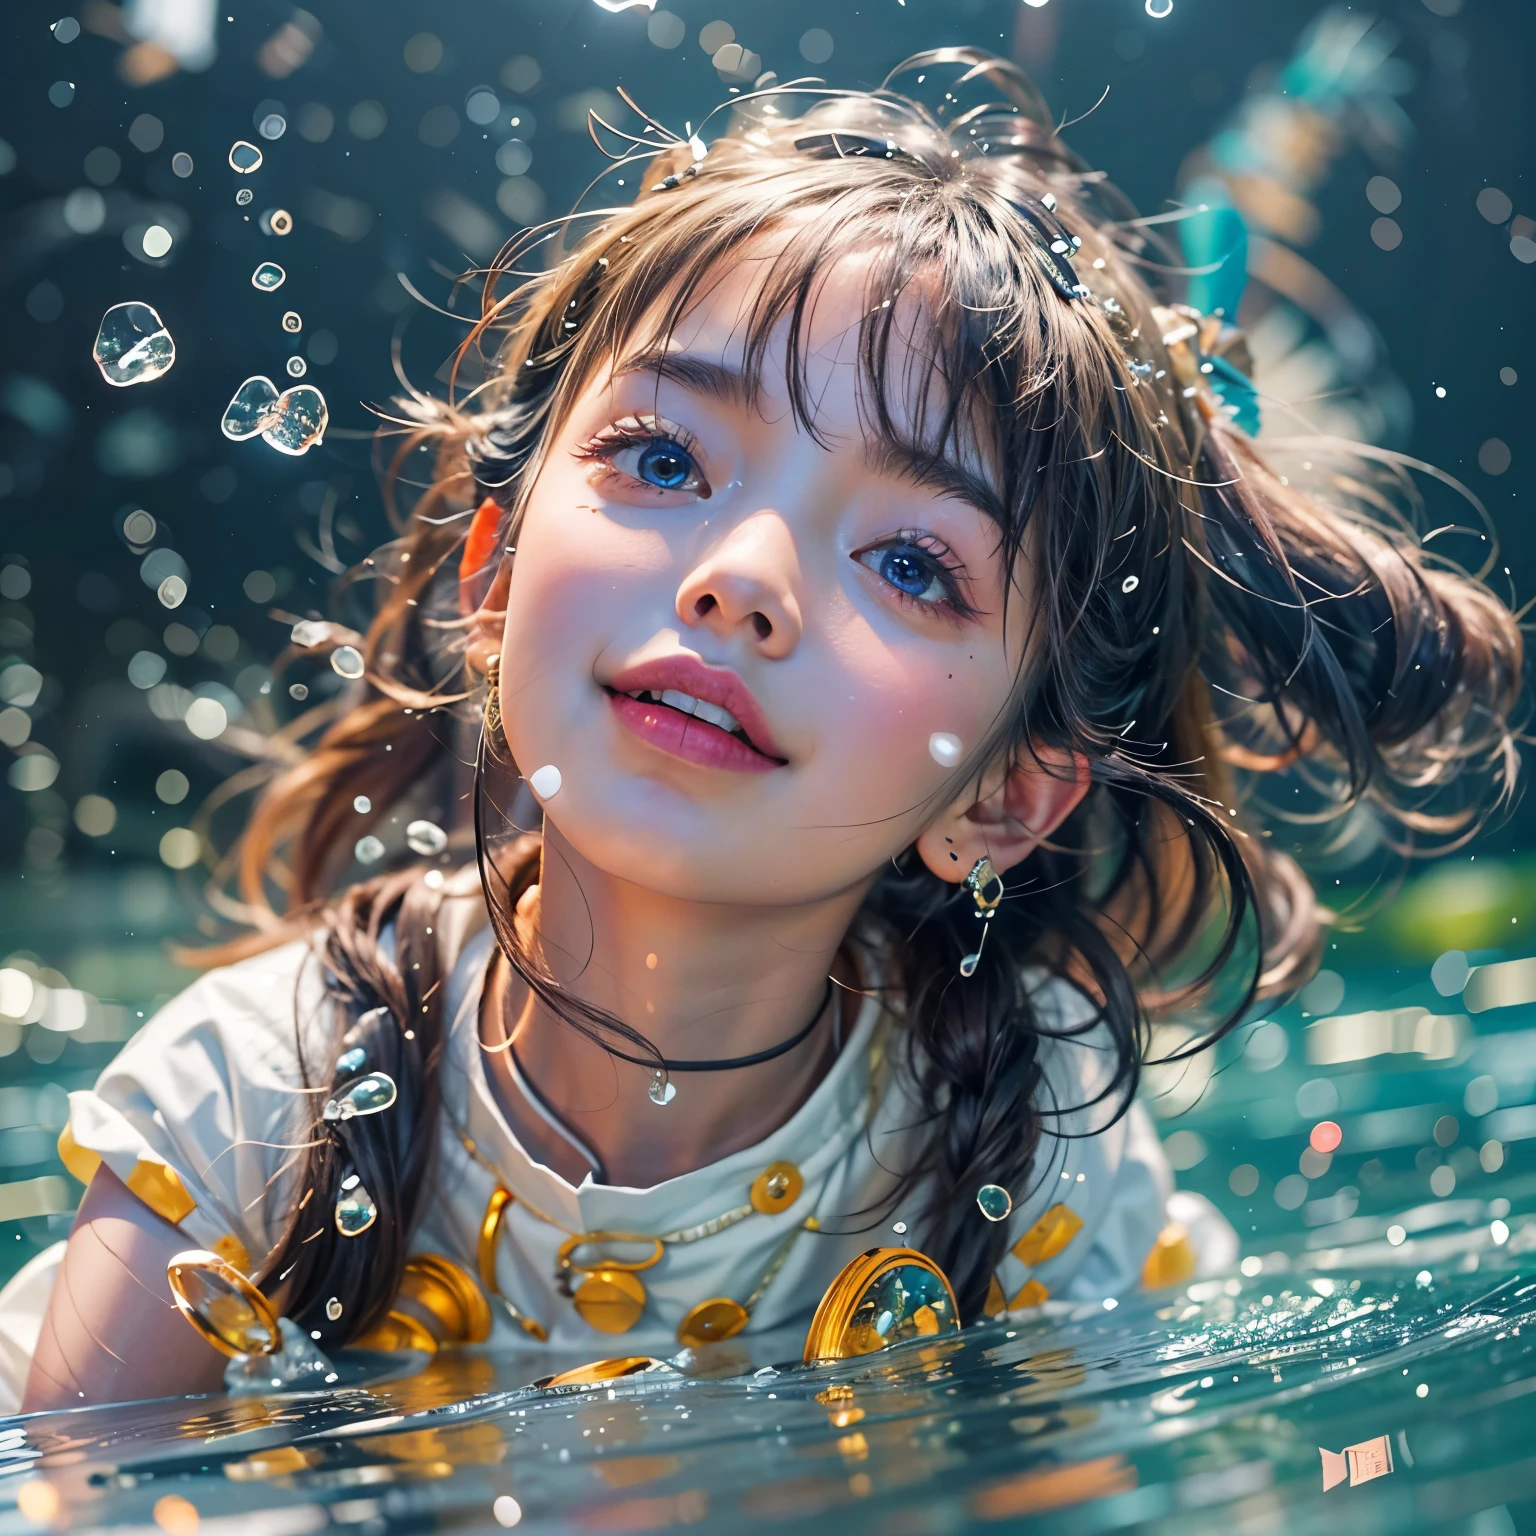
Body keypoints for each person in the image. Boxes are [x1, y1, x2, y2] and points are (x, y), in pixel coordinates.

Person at [12, 49, 1520, 1413]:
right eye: (664, 455)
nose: (743, 582)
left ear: (1005, 794)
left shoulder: (1021, 1142)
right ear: (492, 573)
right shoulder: (257, 1102)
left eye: (914, 563)